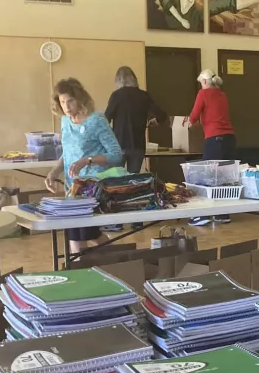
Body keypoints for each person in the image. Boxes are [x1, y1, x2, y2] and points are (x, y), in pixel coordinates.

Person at [44, 78, 124, 253]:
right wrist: (54, 171)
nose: (66, 106)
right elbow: (69, 152)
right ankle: (121, 258)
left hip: (92, 187)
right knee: (88, 234)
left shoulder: (96, 120)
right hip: (72, 188)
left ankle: (81, 270)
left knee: (76, 235)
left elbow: (116, 154)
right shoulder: (65, 121)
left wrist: (87, 160)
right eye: (62, 101)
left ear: (80, 98)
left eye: (70, 100)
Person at [183, 70, 235, 226]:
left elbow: (194, 115)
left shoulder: (203, 94)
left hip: (214, 139)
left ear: (204, 82)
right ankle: (222, 214)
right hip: (229, 139)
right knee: (224, 178)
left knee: (208, 177)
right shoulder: (222, 94)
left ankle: (203, 215)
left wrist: (188, 122)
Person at [105, 66, 167, 174]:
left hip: (119, 145)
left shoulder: (116, 96)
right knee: (132, 181)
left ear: (118, 80)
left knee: (114, 180)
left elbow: (105, 120)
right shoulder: (144, 96)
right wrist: (155, 121)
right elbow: (162, 115)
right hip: (138, 146)